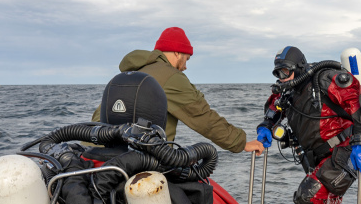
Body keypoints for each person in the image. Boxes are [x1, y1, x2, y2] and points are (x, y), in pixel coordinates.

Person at [256, 46, 361, 204]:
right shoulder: (288, 92)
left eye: (285, 71)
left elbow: (359, 101)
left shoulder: (323, 79)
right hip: (319, 158)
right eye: (278, 73)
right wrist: (266, 125)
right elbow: (273, 107)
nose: (281, 77)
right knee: (313, 200)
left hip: (346, 149)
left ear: (299, 67)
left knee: (308, 195)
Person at [92, 27, 264, 155]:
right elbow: (202, 117)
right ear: (177, 52)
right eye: (186, 58)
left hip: (95, 157)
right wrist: (241, 143)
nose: (186, 66)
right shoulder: (170, 77)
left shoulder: (128, 75)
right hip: (136, 164)